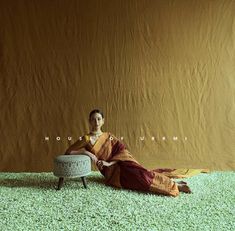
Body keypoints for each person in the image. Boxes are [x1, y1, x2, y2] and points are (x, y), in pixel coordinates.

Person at [64, 109, 192, 197]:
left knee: (142, 174)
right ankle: (173, 185)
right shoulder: (86, 139)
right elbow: (68, 152)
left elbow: (122, 151)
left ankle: (174, 185)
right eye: (93, 119)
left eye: (98, 119)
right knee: (138, 179)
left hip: (120, 163)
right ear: (89, 121)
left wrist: (109, 163)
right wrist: (88, 153)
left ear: (103, 121)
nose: (96, 123)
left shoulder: (109, 136)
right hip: (111, 172)